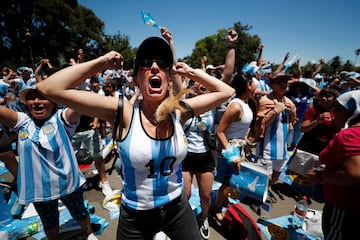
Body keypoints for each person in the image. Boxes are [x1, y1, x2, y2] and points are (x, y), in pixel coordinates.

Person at [36, 36, 235, 239]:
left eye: (163, 63)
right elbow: (48, 88)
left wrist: (191, 72)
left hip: (177, 207)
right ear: (135, 79)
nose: (155, 67)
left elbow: (227, 91)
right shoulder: (122, 112)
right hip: (135, 215)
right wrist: (101, 62)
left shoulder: (179, 112)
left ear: (169, 77)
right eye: (146, 63)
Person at [0, 86, 97, 240]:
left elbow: (82, 100)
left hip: (67, 183)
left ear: (53, 102)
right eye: (32, 98)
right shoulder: (23, 122)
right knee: (49, 222)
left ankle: (89, 233)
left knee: (79, 211)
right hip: (39, 190)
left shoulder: (62, 118)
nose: (37, 102)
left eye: (43, 97)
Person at [307, 90, 360, 239]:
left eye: (337, 107)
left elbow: (355, 175)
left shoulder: (350, 135)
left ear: (350, 111)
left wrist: (321, 176)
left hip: (344, 210)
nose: (332, 111)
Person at [213, 72, 257, 222]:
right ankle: (217, 209)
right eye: (253, 82)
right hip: (230, 151)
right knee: (227, 184)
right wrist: (232, 155)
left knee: (230, 183)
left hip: (238, 149)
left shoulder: (247, 104)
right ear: (248, 85)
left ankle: (221, 201)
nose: (257, 85)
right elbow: (219, 131)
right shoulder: (236, 106)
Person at [255, 72, 296, 189]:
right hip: (267, 148)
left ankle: (265, 192)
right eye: (279, 82)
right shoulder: (264, 101)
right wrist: (275, 111)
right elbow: (259, 126)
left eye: (285, 82)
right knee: (264, 176)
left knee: (276, 175)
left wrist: (292, 114)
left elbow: (291, 124)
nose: (283, 85)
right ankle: (259, 196)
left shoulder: (289, 102)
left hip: (282, 148)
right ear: (271, 84)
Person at [298, 87, 340, 155]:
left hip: (327, 148)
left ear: (334, 99)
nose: (323, 98)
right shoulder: (313, 110)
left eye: (328, 96)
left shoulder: (338, 113)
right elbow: (303, 128)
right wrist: (318, 121)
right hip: (309, 145)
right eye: (322, 96)